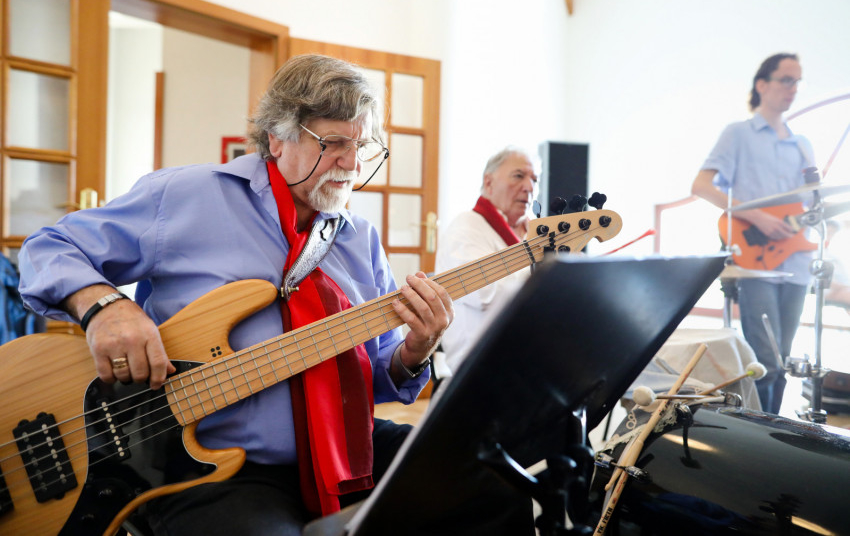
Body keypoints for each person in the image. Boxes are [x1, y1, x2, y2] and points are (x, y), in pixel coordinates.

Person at [17, 55, 537, 535]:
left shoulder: (361, 240)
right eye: (333, 143)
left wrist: (415, 351)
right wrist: (105, 306)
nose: (352, 165)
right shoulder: (186, 196)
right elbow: (48, 247)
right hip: (207, 466)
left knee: (492, 485)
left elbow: (376, 376)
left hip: (342, 448)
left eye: (362, 147)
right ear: (277, 139)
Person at [691, 53, 815, 415]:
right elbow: (701, 185)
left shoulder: (802, 143)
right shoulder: (738, 134)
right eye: (786, 80)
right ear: (762, 84)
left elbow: (812, 204)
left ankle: (772, 434)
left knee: (783, 363)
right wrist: (756, 216)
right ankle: (756, 434)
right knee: (766, 364)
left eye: (797, 81)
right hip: (755, 260)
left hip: (797, 261)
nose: (793, 88)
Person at [435, 146, 540, 373]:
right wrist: (549, 278)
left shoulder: (533, 233)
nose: (529, 187)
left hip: (527, 361)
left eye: (534, 179)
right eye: (518, 176)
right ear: (489, 182)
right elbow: (486, 293)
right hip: (480, 369)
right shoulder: (466, 227)